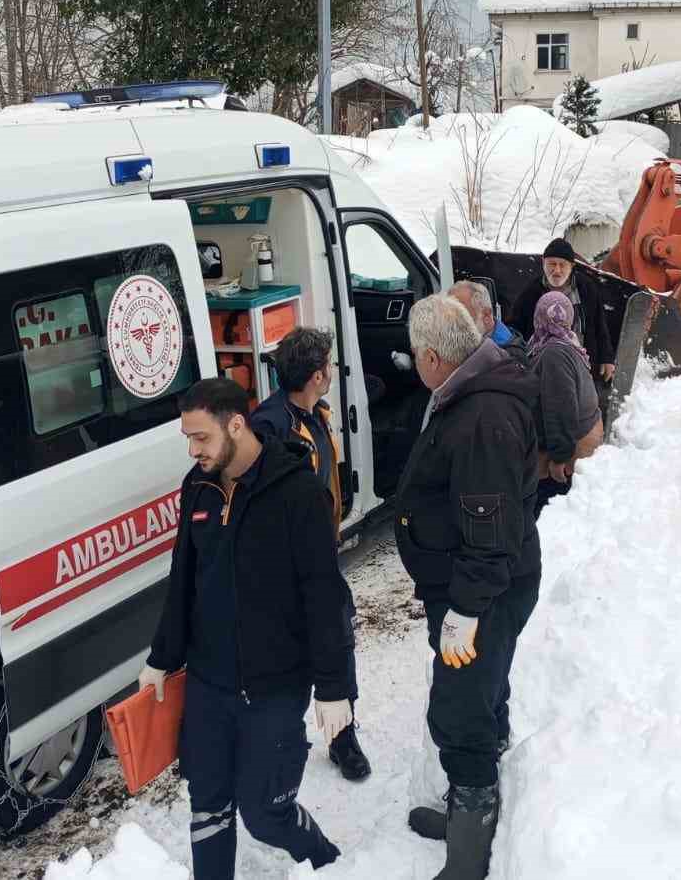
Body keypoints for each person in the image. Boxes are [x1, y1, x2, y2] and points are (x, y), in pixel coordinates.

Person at [139, 378, 350, 879]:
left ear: (236, 425)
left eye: (202, 438)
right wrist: (162, 658)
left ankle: (324, 858)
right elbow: (184, 577)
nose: (194, 451)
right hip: (210, 684)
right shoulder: (199, 486)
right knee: (207, 807)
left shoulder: (296, 492)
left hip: (274, 685)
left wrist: (336, 685)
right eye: (187, 439)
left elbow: (324, 594)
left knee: (263, 812)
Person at [397, 295, 542, 879]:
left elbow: (491, 532)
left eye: (415, 355)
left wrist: (465, 610)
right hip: (473, 587)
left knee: (461, 712)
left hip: (481, 593)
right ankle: (469, 808)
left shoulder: (484, 419)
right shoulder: (467, 392)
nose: (414, 364)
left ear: (434, 356)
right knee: (480, 695)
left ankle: (470, 852)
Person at [248, 327, 372, 782]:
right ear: (317, 375)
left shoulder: (314, 412)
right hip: (287, 566)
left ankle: (343, 739)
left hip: (319, 555)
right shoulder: (269, 427)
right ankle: (280, 742)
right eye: (328, 365)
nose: (332, 371)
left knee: (337, 641)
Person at [527, 291, 603, 514]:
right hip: (575, 438)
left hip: (564, 453)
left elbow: (561, 409)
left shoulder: (553, 353)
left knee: (550, 515)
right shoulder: (565, 341)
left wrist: (559, 459)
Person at [512, 239, 614, 388]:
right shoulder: (532, 291)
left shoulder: (585, 288)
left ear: (572, 266)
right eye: (552, 264)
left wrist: (607, 358)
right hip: (541, 366)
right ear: (543, 263)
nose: (557, 270)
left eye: (562, 265)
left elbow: (600, 324)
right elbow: (516, 326)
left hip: (582, 364)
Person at [448, 279, 528, 365]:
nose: (452, 325)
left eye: (462, 317)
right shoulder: (479, 340)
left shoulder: (509, 358)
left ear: (486, 315)